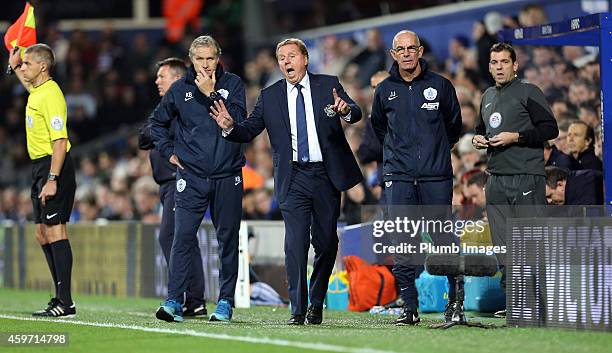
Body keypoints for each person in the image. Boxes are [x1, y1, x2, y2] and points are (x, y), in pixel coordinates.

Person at [209, 38, 362, 325]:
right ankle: (298, 309)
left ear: (305, 59)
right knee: (295, 244)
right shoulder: (270, 96)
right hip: (293, 178)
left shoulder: (328, 83)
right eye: (281, 58)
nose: (286, 62)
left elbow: (355, 112)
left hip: (326, 176)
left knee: (327, 243)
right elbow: (250, 129)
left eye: (292, 56)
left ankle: (316, 303)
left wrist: (345, 110)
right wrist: (231, 127)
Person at [150, 36, 246, 322]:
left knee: (227, 239)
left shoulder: (233, 84)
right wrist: (169, 153)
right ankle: (173, 302)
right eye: (200, 59)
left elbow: (237, 121)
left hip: (228, 175)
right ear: (192, 60)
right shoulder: (180, 90)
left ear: (218, 58)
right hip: (191, 177)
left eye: (210, 58)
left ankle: (225, 302)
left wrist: (212, 93)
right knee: (182, 238)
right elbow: (156, 123)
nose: (205, 64)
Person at [370, 30, 462, 326]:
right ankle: (409, 308)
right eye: (401, 49)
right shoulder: (384, 90)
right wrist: (402, 161)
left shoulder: (441, 86)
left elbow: (454, 127)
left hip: (436, 177)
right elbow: (380, 128)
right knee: (403, 242)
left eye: (412, 48)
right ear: (393, 54)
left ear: (420, 51)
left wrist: (432, 155)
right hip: (399, 177)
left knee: (443, 239)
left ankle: (456, 302)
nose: (407, 53)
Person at [472, 42, 559, 318]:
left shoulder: (528, 92)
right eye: (494, 62)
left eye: (504, 62)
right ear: (489, 66)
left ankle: (542, 305)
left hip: (525, 177)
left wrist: (516, 137)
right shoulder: (486, 96)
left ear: (515, 65)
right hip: (496, 179)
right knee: (503, 246)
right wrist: (477, 138)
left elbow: (550, 129)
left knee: (531, 243)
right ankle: (515, 303)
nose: (498, 67)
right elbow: (481, 128)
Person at [9, 44, 77, 317]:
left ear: (42, 67)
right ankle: (60, 297)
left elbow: (60, 140)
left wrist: (53, 178)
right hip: (39, 167)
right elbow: (30, 89)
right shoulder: (39, 92)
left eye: (26, 64)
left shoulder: (51, 94)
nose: (23, 67)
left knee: (56, 230)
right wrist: (14, 67)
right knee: (42, 233)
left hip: (53, 164)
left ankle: (66, 301)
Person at [138, 58, 207, 317]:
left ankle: (192, 298)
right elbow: (143, 138)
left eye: (162, 76)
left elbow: (156, 133)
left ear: (177, 79)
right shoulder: (164, 107)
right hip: (167, 183)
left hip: (181, 179)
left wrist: (159, 129)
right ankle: (195, 300)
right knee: (183, 238)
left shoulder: (185, 104)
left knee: (172, 237)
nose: (157, 81)